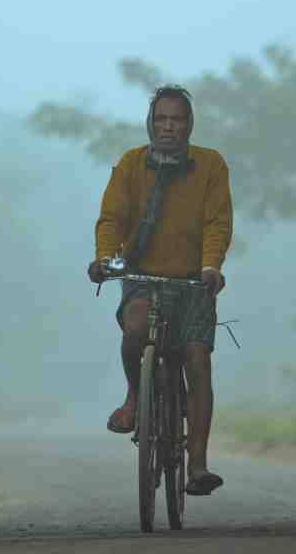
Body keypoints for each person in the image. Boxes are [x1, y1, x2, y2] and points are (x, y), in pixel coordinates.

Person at [87, 84, 233, 496]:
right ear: (151, 123)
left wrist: (211, 266)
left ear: (190, 125)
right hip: (143, 278)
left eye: (178, 119)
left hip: (193, 281)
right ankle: (135, 396)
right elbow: (112, 217)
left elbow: (217, 222)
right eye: (162, 119)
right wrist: (104, 258)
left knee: (197, 358)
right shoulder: (131, 164)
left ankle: (198, 465)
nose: (170, 127)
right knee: (135, 327)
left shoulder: (210, 166)